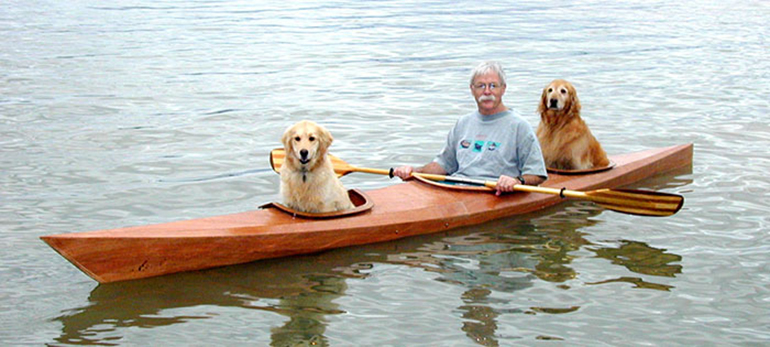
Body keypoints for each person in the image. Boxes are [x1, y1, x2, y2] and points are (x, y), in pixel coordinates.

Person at [392, 61, 548, 195]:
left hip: (494, 192)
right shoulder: (463, 123)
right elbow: (443, 165)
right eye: (481, 86)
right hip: (457, 189)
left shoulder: (520, 126)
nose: (487, 91)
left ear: (503, 89)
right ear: (472, 89)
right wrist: (413, 172)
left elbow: (537, 174)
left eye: (493, 86)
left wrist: (517, 181)